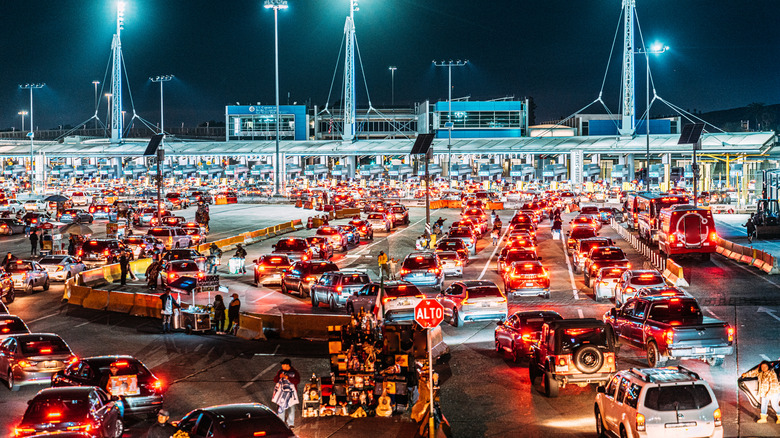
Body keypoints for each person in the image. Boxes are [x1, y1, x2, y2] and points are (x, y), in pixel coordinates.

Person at [273, 359, 301, 429]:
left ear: (287, 365)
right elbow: (275, 380)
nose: (282, 366)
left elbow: (297, 381)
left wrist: (287, 377)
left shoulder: (294, 372)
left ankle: (290, 423)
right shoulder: (280, 371)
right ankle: (281, 423)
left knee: (291, 408)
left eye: (283, 364)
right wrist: (279, 376)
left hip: (291, 394)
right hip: (281, 393)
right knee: (281, 408)